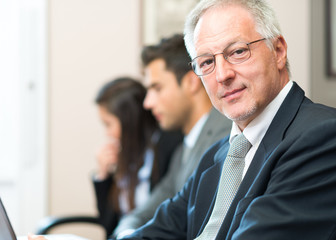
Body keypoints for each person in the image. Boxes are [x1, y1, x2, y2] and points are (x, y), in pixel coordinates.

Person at [112, 0, 336, 239]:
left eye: (238, 52)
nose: (222, 75)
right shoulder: (216, 155)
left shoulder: (321, 137)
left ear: (278, 51)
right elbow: (160, 229)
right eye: (207, 62)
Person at [112, 34, 231, 238]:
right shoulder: (182, 149)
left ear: (191, 82)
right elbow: (145, 212)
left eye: (157, 88)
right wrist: (127, 234)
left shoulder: (226, 138)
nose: (147, 103)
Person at [92, 77, 183, 236]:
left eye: (108, 124)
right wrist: (103, 176)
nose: (107, 134)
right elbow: (109, 227)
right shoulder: (126, 156)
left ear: (129, 121)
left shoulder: (170, 146)